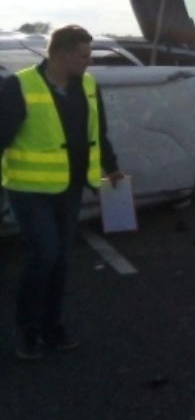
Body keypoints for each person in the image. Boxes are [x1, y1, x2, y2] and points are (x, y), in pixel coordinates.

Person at [0, 25, 125, 359]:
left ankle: (51, 328)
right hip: (29, 189)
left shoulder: (87, 85)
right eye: (83, 55)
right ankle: (25, 331)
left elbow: (98, 132)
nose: (89, 61)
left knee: (60, 261)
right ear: (60, 54)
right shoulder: (19, 86)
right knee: (45, 255)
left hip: (69, 187)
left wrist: (111, 168)